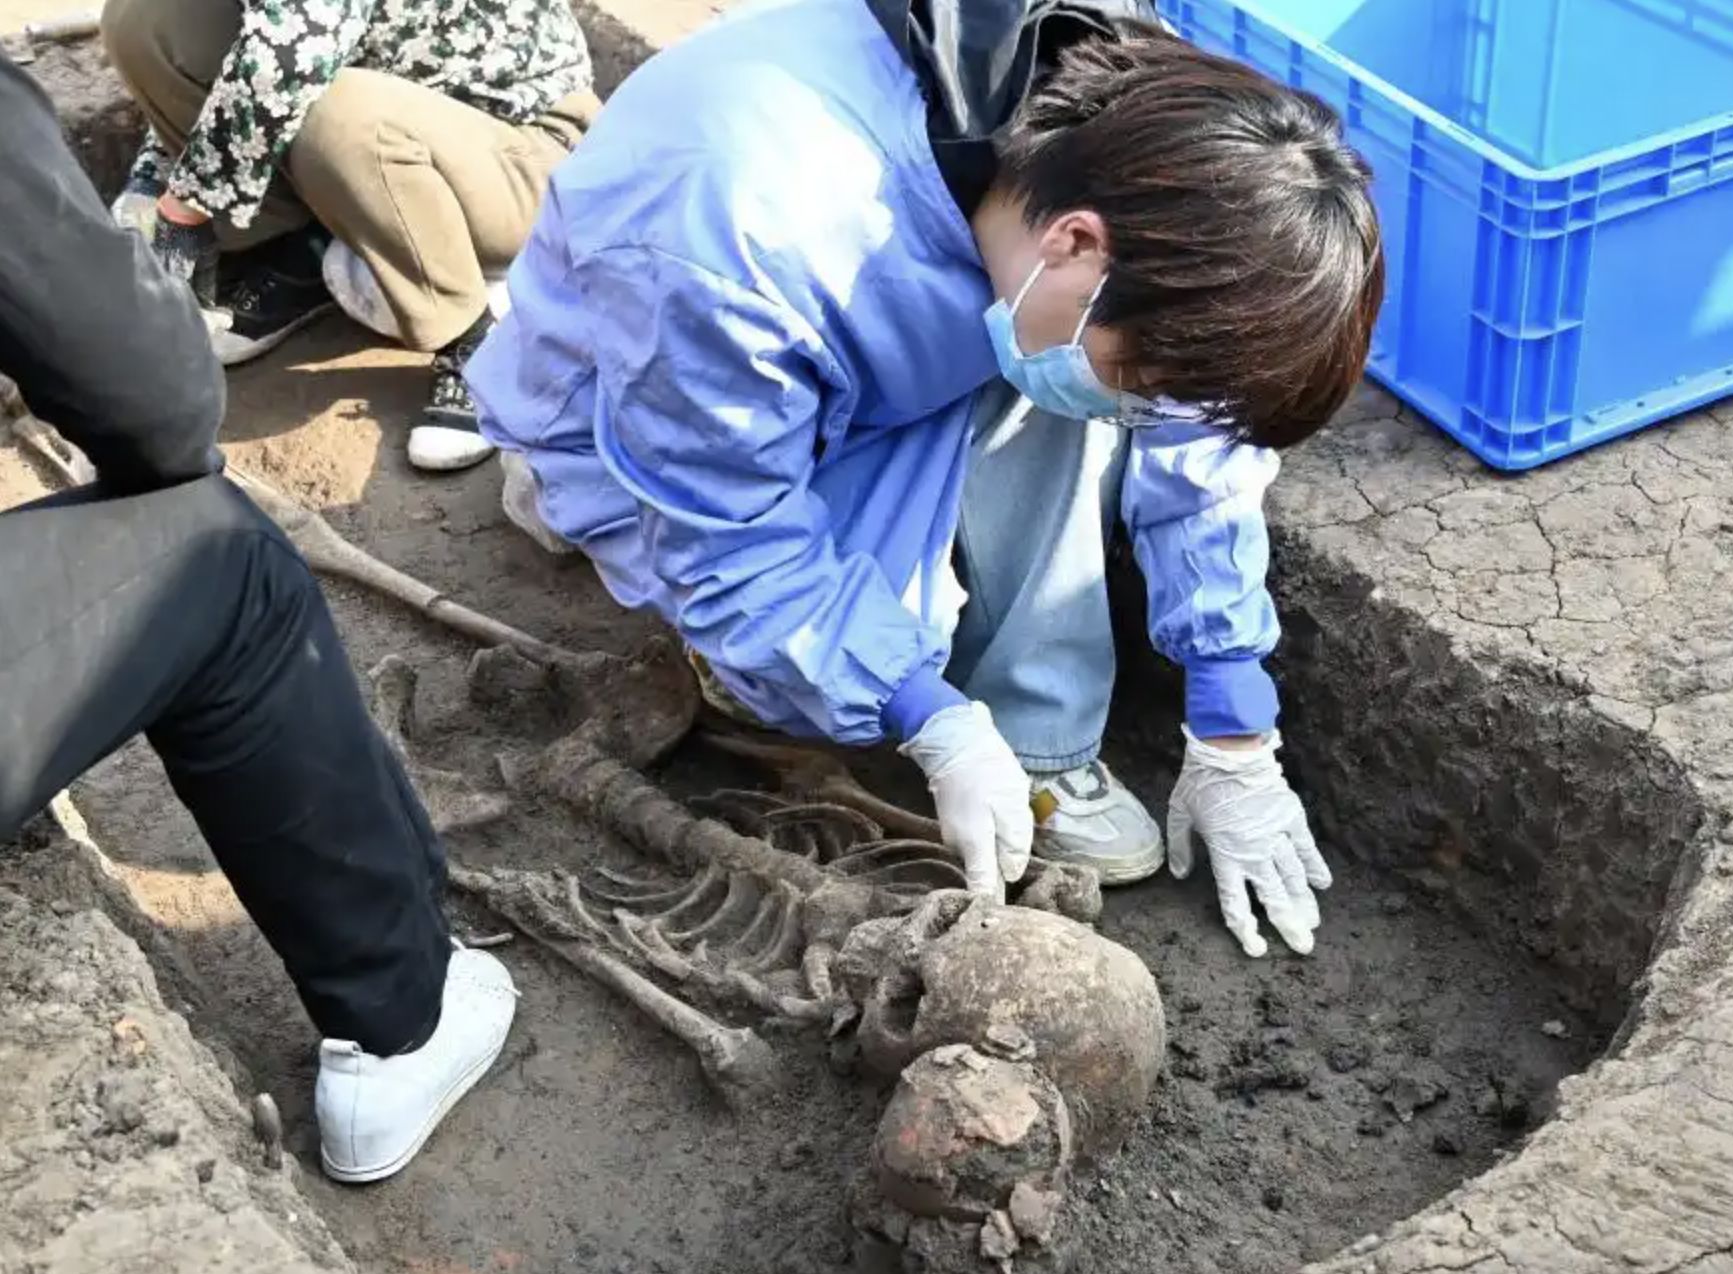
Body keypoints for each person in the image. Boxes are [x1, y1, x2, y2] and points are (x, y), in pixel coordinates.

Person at [469, 0, 1385, 958]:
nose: (1152, 409)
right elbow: (730, 541)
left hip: (889, 354)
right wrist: (919, 707)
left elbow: (1195, 416)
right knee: (863, 617)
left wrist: (1232, 705)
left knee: (1086, 385)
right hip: (657, 419)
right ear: (1072, 243)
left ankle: (1041, 745)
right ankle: (582, 517)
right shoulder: (741, 229)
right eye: (1148, 381)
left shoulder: (1133, 136)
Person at [0, 58, 514, 1183]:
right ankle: (402, 1015)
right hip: (346, 148)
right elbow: (160, 405)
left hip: (495, 147)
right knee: (224, 556)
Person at [97, 0, 599, 472]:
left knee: (335, 115)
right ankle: (301, 243)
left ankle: (474, 341)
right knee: (147, 19)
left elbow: (291, 55)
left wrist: (185, 206)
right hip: (380, 97)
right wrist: (153, 177)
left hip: (521, 151)